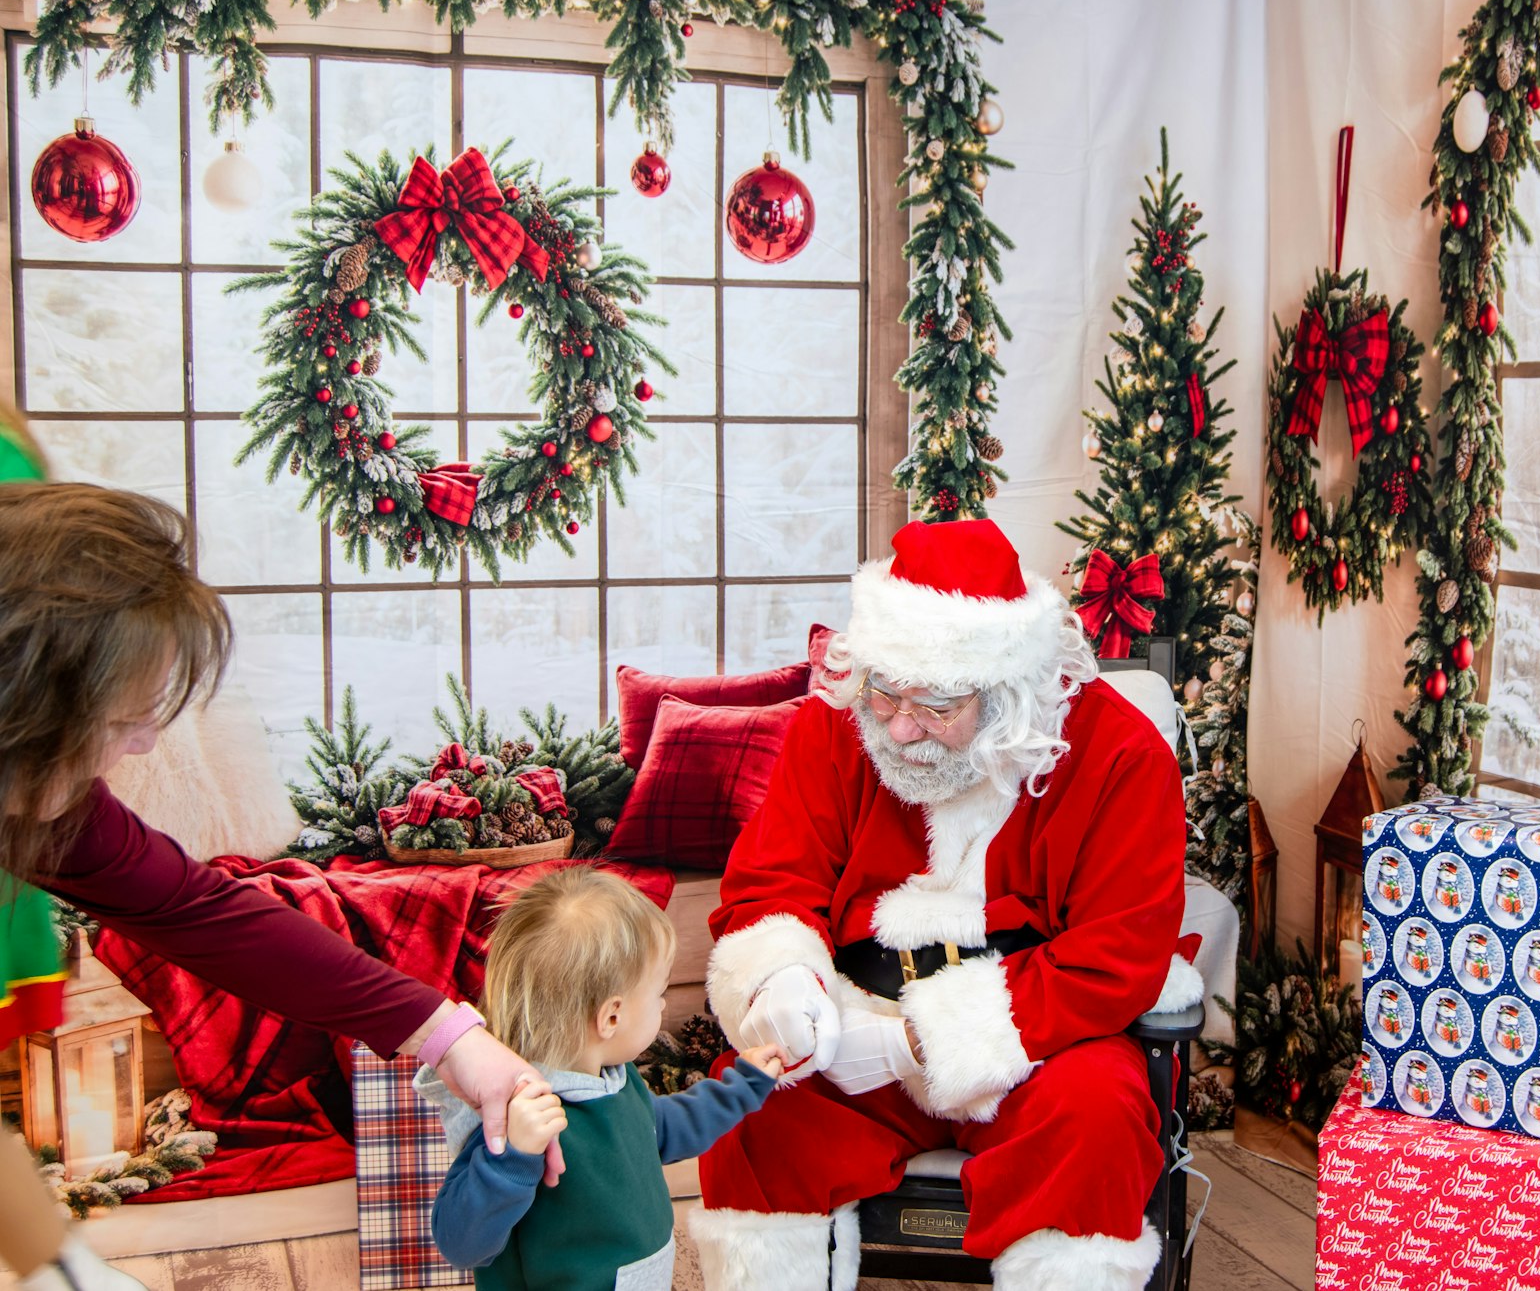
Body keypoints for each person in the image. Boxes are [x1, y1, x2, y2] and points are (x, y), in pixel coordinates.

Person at [0, 471, 556, 1291]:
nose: (144, 745)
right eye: (120, 720)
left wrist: (451, 1037)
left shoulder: (56, 809)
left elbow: (204, 910)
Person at [690, 518, 1190, 1291]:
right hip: (854, 1013)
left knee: (1097, 1120)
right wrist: (787, 987)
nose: (897, 727)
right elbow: (771, 878)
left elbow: (1117, 953)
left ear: (1007, 690)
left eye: (935, 707)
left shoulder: (1119, 753)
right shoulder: (838, 721)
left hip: (1038, 1040)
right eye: (885, 693)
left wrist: (916, 1043)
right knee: (755, 1109)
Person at [421, 868, 781, 1289]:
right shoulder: (520, 1115)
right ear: (611, 1016)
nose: (662, 1006)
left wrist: (744, 1087)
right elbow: (460, 1243)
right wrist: (512, 1160)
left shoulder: (614, 1079)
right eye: (659, 993)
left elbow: (656, 1130)